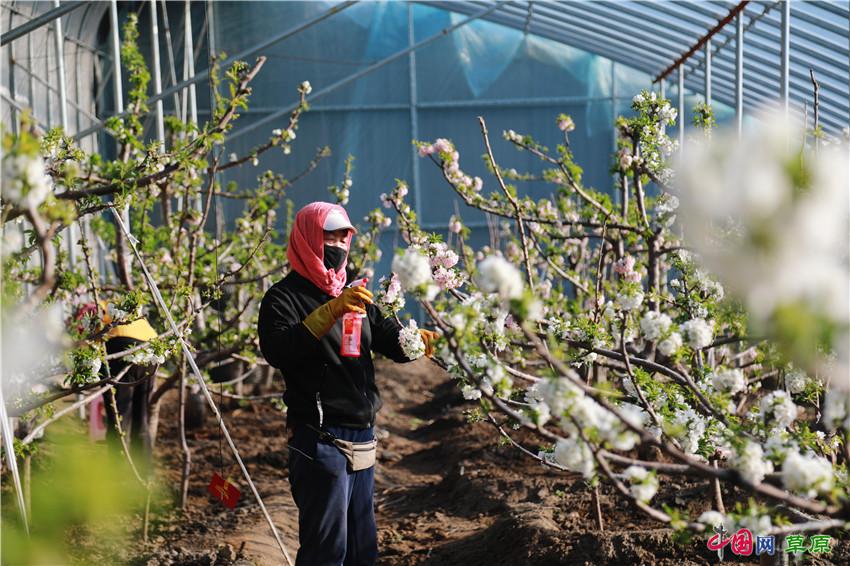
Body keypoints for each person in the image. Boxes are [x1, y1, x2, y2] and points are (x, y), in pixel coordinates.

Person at [257, 201, 437, 566]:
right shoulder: (283, 297)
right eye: (329, 236)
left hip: (363, 435)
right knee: (327, 550)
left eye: (344, 237)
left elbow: (391, 342)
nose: (338, 245)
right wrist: (328, 312)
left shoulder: (354, 294)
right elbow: (279, 350)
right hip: (320, 438)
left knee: (361, 549)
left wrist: (418, 340)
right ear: (308, 237)